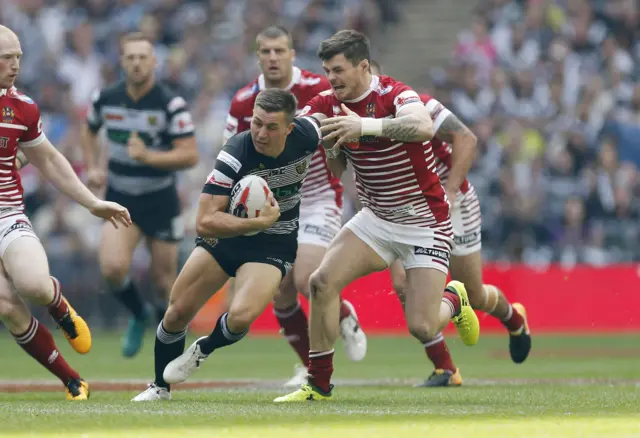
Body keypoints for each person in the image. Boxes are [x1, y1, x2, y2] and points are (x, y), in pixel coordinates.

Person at [275, 30, 480, 402]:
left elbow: (423, 127)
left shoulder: (395, 94)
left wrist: (364, 127)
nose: (331, 78)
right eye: (327, 70)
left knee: (421, 325)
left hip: (425, 222)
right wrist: (315, 139)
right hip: (377, 219)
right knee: (321, 282)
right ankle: (319, 384)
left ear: (363, 66)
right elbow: (328, 161)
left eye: (338, 70)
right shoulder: (326, 102)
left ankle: (454, 298)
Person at [131, 88, 323, 402]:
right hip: (224, 237)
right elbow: (205, 220)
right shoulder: (235, 153)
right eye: (256, 123)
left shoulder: (307, 134)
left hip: (273, 244)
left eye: (271, 127)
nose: (261, 133)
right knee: (177, 311)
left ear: (290, 128)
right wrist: (256, 223)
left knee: (241, 316)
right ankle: (159, 387)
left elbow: (332, 116)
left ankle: (204, 348)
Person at [368, 61, 531, 387]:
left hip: (453, 204)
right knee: (402, 285)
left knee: (476, 292)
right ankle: (445, 367)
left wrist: (452, 190)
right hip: (411, 212)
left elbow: (466, 139)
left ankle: (514, 320)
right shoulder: (357, 121)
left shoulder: (416, 104)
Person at [223, 25, 366, 386]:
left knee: (306, 278)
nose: (273, 58)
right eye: (265, 51)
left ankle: (344, 313)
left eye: (279, 51)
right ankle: (309, 366)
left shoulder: (318, 88)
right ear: (257, 56)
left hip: (317, 196)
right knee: (280, 292)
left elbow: (339, 134)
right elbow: (231, 154)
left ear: (291, 54)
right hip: (272, 202)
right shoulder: (243, 101)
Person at [0, 25, 132, 400]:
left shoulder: (21, 107)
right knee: (7, 306)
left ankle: (57, 304)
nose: (15, 65)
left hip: (6, 213)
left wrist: (92, 202)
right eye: (7, 58)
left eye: (19, 57)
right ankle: (72, 379)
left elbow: (51, 161)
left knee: (33, 285)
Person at [81, 33, 199, 358]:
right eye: (130, 57)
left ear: (154, 62)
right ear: (122, 61)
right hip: (121, 197)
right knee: (112, 267)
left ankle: (166, 342)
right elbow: (88, 129)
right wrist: (93, 166)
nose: (136, 63)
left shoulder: (170, 104)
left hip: (161, 199)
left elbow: (190, 154)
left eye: (142, 57)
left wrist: (149, 157)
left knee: (165, 282)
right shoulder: (105, 98)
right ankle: (138, 313)